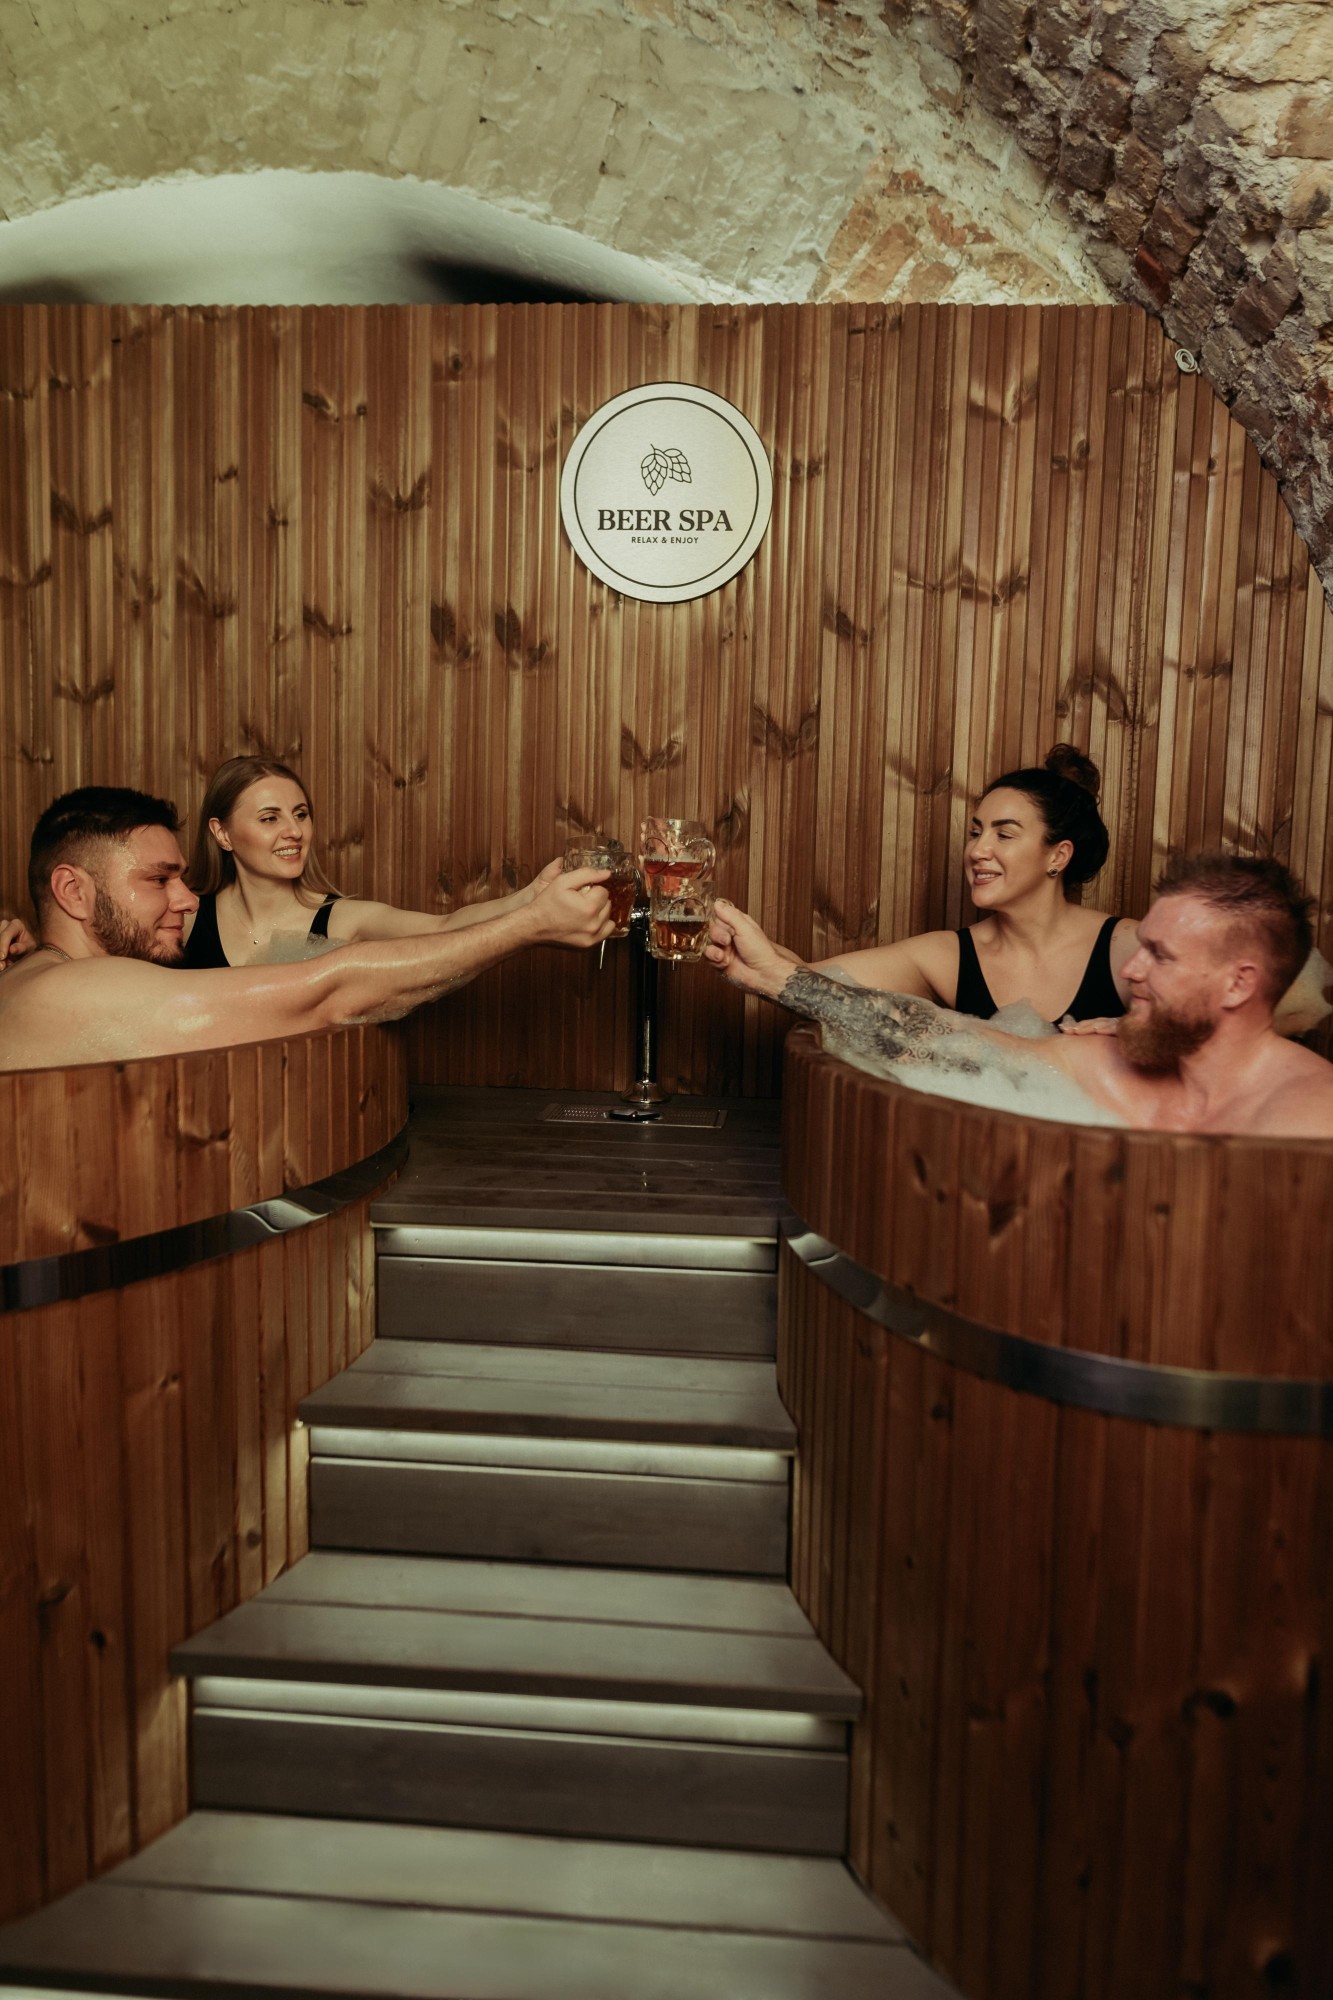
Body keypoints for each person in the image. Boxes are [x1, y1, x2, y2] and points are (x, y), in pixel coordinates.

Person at [706, 853, 1333, 1138]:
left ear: (1239, 983)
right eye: (1142, 946)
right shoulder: (1102, 1064)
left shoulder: (1311, 1119)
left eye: (1161, 956)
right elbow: (942, 1044)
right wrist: (773, 977)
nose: (1132, 970)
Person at [0, 786, 613, 1072]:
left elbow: (436, 928)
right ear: (72, 891)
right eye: (158, 880)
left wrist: (530, 901)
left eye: (299, 814)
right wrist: (530, 925)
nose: (186, 899)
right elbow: (329, 990)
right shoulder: (68, 991)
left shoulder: (42, 973)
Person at [810, 744, 1138, 1026]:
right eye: (975, 833)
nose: (977, 851)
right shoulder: (951, 957)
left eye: (1004, 835)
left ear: (1058, 856)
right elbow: (809, 979)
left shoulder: (1127, 948)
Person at [180, 755, 564, 967]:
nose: (294, 831)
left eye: (300, 814)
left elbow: (444, 927)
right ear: (222, 833)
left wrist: (531, 896)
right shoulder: (186, 919)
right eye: (270, 819)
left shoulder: (344, 921)